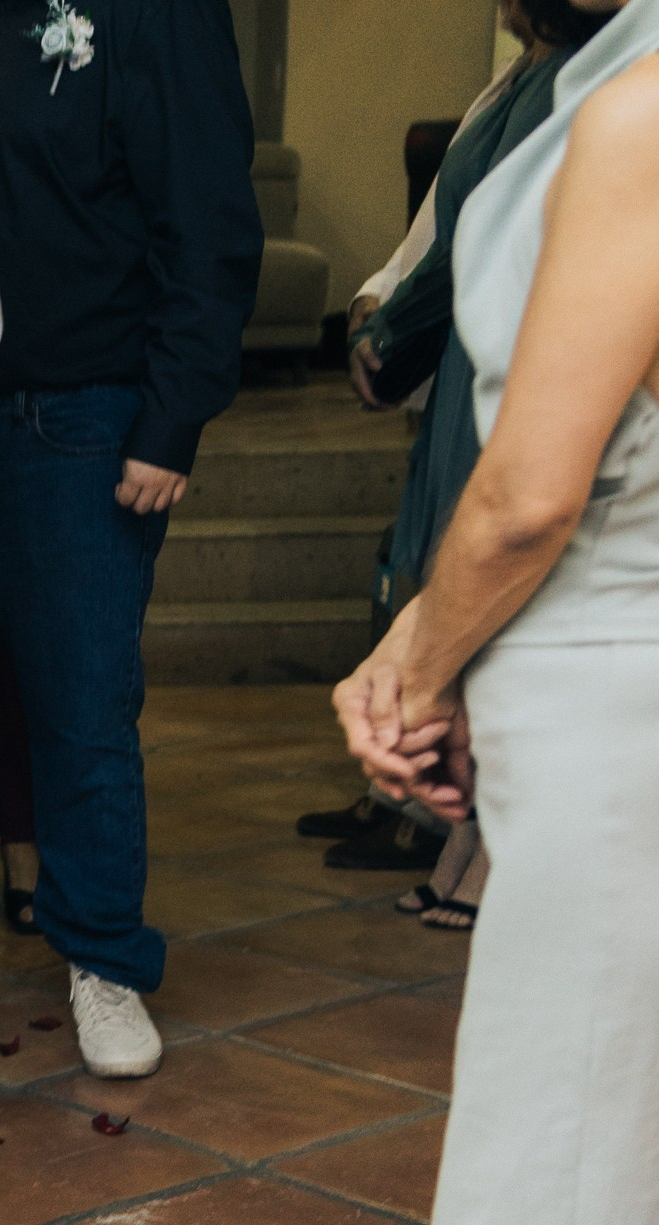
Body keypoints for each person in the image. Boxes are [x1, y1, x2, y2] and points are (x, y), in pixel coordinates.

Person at [333, 4, 659, 1225]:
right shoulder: (592, 83)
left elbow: (536, 489)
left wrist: (414, 655)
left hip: (623, 746)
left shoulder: (647, 111)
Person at [0, 0, 261, 1080]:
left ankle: (103, 958)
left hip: (78, 420)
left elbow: (207, 216)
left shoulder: (154, 13)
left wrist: (171, 419)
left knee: (81, 710)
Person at [342, 0, 614, 933]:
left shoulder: (624, 107)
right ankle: (470, 833)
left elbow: (532, 504)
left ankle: (482, 837)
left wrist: (419, 671)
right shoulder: (567, 87)